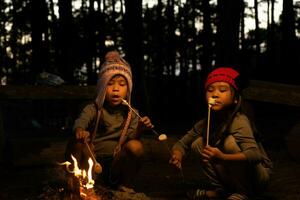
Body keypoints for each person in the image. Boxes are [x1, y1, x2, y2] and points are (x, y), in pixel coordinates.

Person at [169, 67, 273, 200]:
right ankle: (221, 191)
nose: (215, 94)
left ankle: (243, 193)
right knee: (198, 144)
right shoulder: (204, 123)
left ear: (235, 99)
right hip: (231, 174)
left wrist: (223, 158)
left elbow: (254, 155)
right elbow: (181, 144)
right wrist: (177, 155)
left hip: (257, 178)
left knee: (229, 142)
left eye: (222, 90)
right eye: (210, 90)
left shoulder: (239, 121)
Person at [65, 50, 153, 193]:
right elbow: (81, 121)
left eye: (122, 84)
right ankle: (81, 184)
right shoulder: (94, 109)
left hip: (115, 164)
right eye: (110, 84)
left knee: (136, 146)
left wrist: (140, 129)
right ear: (102, 87)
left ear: (128, 89)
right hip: (92, 161)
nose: (116, 89)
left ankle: (125, 185)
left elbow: (131, 141)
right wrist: (80, 130)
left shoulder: (132, 113)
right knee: (78, 144)